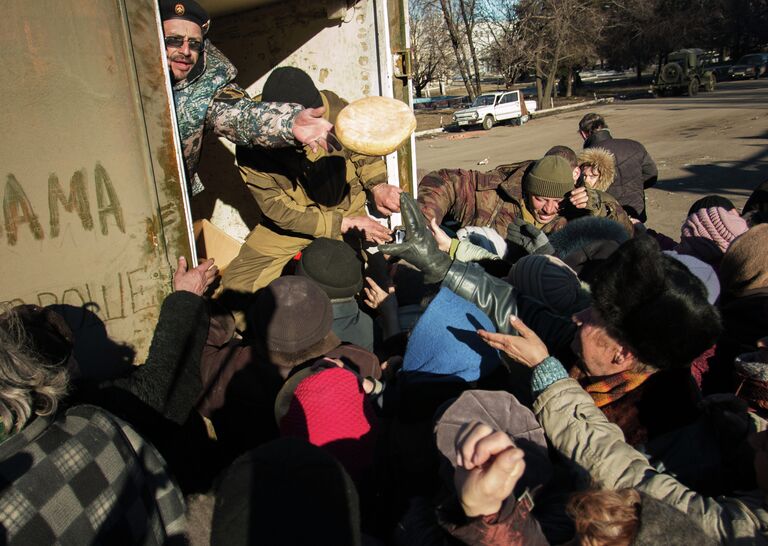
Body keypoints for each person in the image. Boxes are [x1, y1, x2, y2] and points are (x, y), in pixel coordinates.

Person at [472, 315, 768, 544]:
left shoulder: (745, 532)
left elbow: (634, 483)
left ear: (623, 354)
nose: (757, 439)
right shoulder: (722, 421)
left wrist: (547, 373)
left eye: (767, 444)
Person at [219, 67, 395, 303]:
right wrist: (340, 224)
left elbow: (364, 152)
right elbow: (277, 209)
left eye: (315, 120)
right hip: (294, 221)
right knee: (237, 288)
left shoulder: (334, 108)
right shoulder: (253, 140)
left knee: (366, 281)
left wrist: (378, 186)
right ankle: (268, 336)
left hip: (346, 206)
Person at [160, 0, 334, 195]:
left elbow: (241, 115)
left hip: (170, 198)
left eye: (194, 43)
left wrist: (288, 122)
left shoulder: (208, 82)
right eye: (174, 40)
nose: (185, 51)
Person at [578, 113, 657, 222]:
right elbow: (651, 175)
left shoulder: (588, 156)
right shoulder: (634, 146)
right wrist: (634, 187)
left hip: (607, 215)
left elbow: (585, 189)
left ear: (583, 134)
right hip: (636, 211)